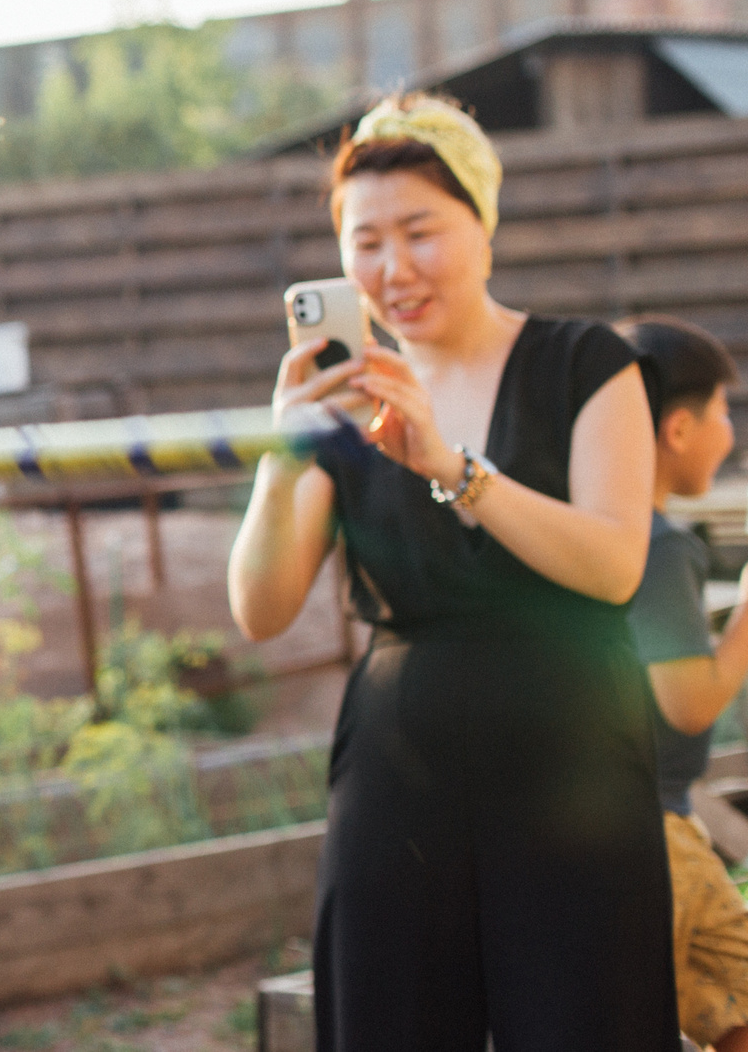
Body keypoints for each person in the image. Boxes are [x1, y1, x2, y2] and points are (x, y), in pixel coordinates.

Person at [226, 94, 669, 1051]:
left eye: (421, 232)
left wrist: (451, 467)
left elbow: (613, 563)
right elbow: (261, 610)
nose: (394, 269)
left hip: (571, 764)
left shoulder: (585, 362)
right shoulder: (343, 403)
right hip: (398, 770)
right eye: (366, 241)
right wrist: (284, 450)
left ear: (482, 225)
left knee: (584, 1020)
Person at [615, 316, 748, 1052]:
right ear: (677, 428)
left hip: (647, 828)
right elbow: (689, 701)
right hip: (654, 838)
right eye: (723, 411)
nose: (729, 432)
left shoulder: (609, 534)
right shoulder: (658, 547)